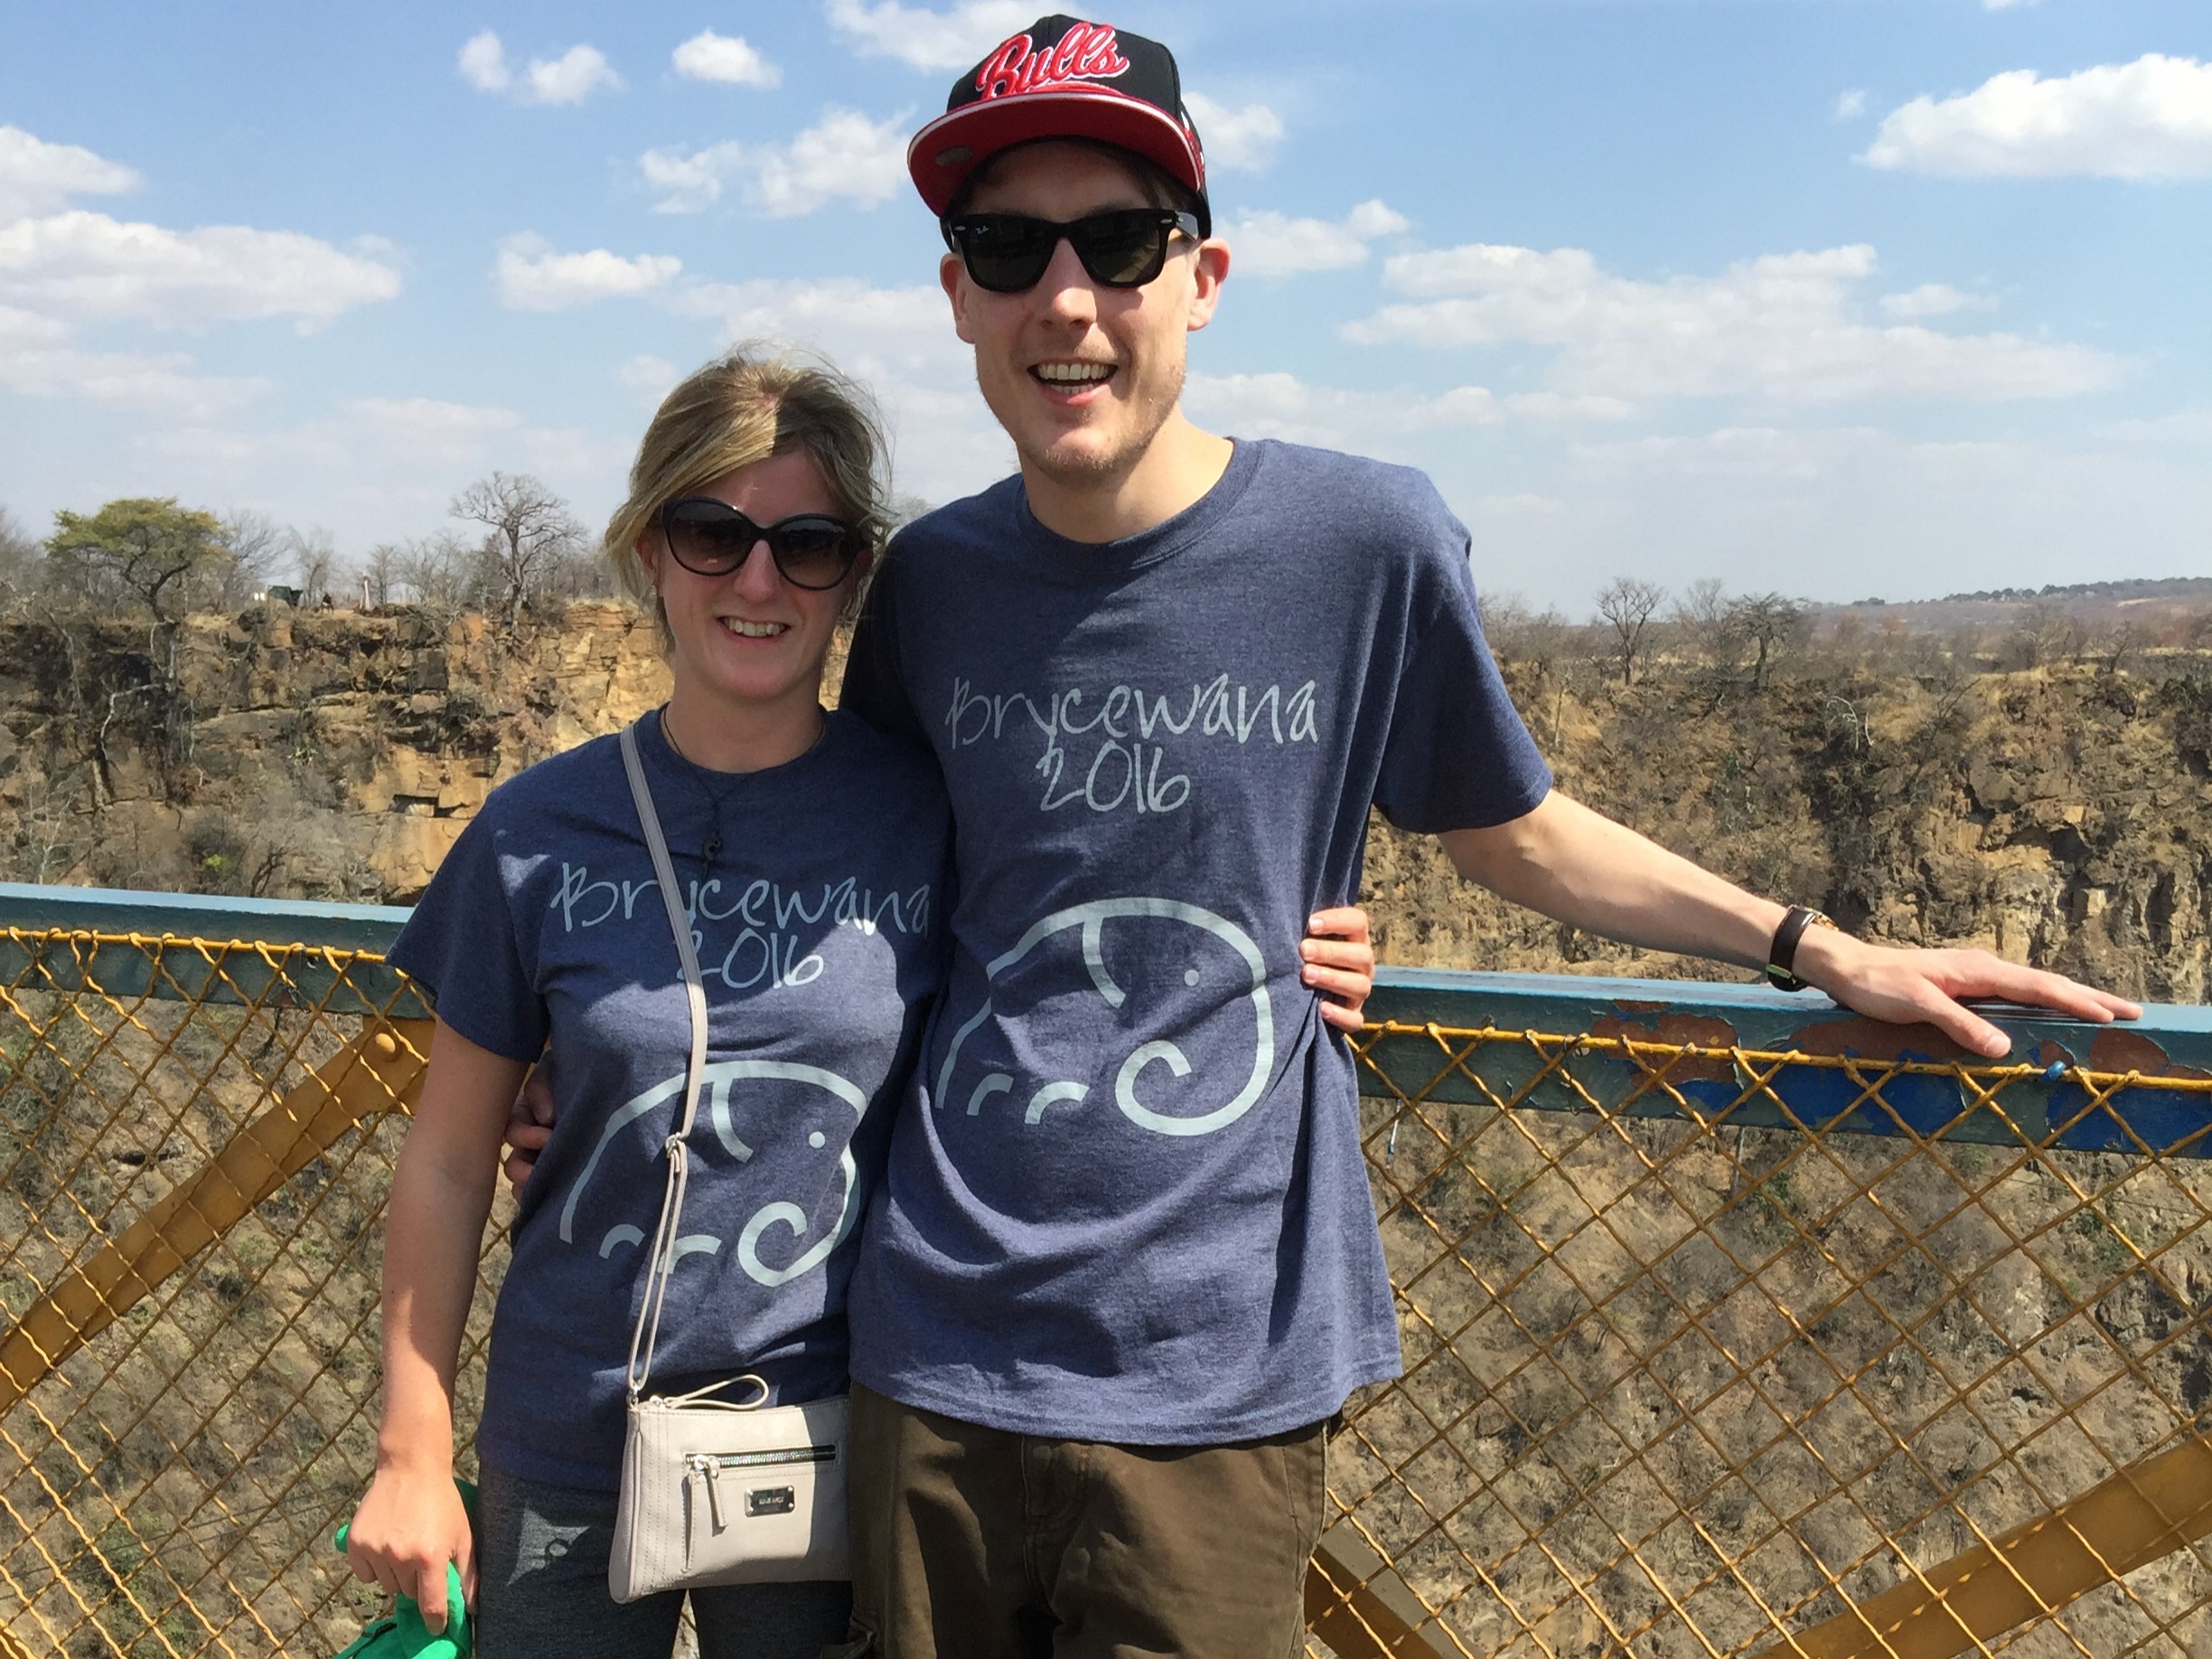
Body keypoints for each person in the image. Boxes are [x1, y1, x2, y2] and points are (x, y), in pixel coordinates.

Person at [820, 16, 2142, 1659]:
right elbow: (856, 889)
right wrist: (599, 1050)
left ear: (1204, 275)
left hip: (1215, 1359)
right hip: (930, 1339)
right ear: (957, 294)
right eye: (1008, 247)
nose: (1066, 297)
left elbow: (1514, 832)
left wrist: (1817, 948)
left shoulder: (1357, 542)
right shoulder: (934, 587)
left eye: (1121, 241)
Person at [345, 347, 1378, 1659]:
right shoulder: (535, 835)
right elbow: (443, 1161)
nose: (758, 580)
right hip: (570, 1423)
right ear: (648, 550)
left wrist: (1312, 946)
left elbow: (1082, 955)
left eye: (810, 544)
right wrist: (413, 1456)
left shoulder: (927, 813)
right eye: (712, 533)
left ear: (853, 578)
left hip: (821, 1431)